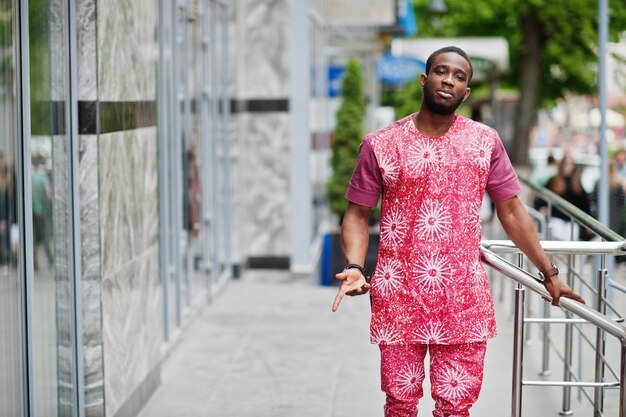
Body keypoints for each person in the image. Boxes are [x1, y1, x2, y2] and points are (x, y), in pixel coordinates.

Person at [330, 46, 585, 417]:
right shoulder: (380, 145)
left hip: (462, 298)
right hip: (398, 294)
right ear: (425, 79)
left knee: (456, 408)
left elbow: (512, 211)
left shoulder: (485, 142)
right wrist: (355, 265)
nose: (449, 80)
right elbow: (356, 214)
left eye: (459, 76)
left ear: (466, 92)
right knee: (400, 405)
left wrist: (549, 272)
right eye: (441, 71)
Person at [541, 152, 592, 241]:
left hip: (571, 221)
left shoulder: (577, 183)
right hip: (556, 218)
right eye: (566, 163)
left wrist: (588, 223)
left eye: (571, 163)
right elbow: (542, 197)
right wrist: (542, 208)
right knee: (557, 244)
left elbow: (584, 203)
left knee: (571, 246)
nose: (568, 166)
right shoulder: (554, 180)